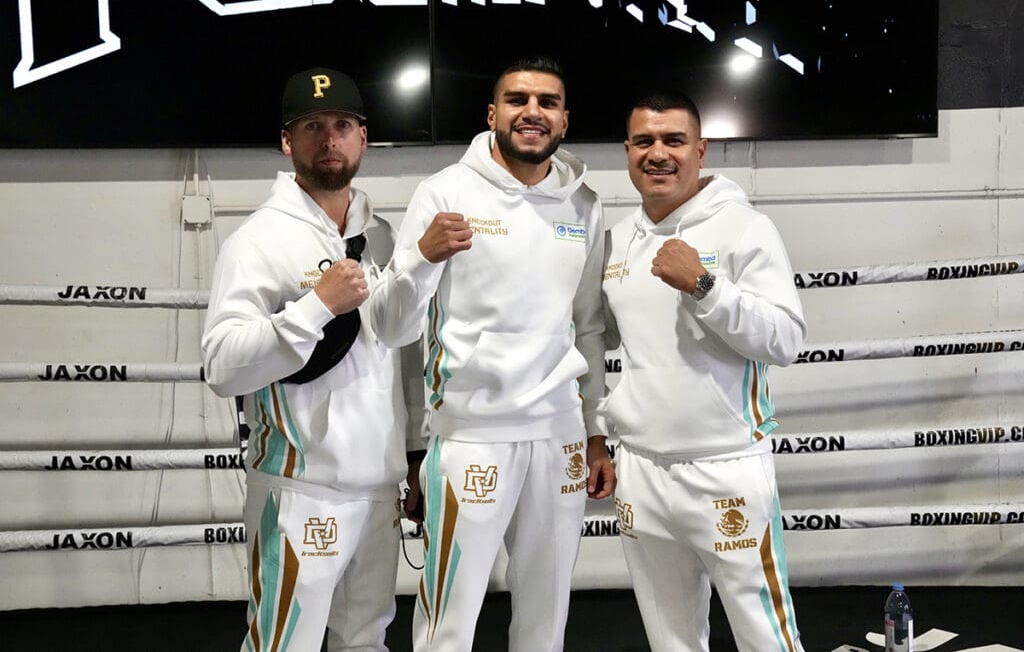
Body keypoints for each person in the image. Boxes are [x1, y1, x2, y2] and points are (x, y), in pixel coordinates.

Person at [368, 56, 615, 651]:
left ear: (564, 119)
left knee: (547, 612)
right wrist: (420, 259)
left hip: (559, 437)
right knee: (449, 619)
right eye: (517, 100)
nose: (532, 112)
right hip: (472, 433)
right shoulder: (445, 191)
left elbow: (586, 328)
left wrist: (596, 429)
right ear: (493, 114)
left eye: (547, 102)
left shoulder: (584, 205)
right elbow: (390, 327)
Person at [201, 67, 425, 652]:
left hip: (379, 489)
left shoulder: (381, 236)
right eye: (312, 126)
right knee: (282, 643)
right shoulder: (257, 241)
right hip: (300, 489)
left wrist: (416, 454)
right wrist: (314, 309)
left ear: (363, 137)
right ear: (287, 140)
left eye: (343, 125)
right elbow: (222, 366)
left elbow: (402, 357)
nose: (329, 139)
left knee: (366, 641)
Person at [599, 90, 807, 652]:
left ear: (701, 150)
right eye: (644, 141)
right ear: (627, 150)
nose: (658, 153)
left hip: (727, 468)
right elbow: (594, 340)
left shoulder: (745, 227)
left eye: (673, 140)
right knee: (671, 640)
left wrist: (705, 286)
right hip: (641, 470)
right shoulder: (616, 239)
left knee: (767, 637)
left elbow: (786, 340)